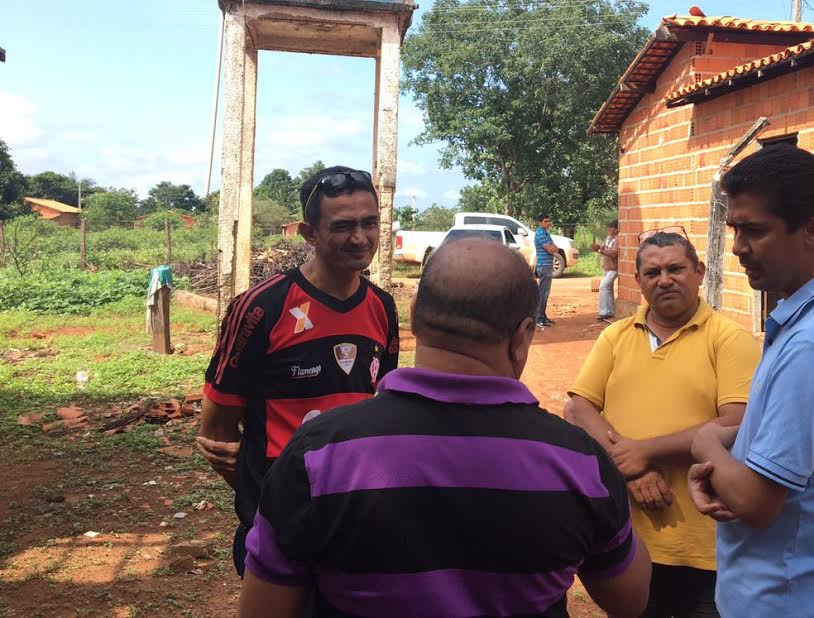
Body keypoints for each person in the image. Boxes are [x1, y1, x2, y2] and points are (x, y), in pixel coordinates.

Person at [237, 238, 652, 618]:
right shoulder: (577, 462)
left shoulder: (317, 455)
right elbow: (630, 600)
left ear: (414, 316)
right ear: (523, 336)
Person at [688, 145, 814, 617]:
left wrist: (707, 446)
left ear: (813, 230)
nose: (738, 246)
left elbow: (757, 502)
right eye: (735, 229)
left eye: (755, 230)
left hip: (788, 596)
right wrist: (734, 451)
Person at [196, 166, 399, 578]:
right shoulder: (260, 308)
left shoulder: (382, 307)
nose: (360, 238)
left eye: (369, 223)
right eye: (343, 226)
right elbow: (215, 431)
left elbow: (382, 408)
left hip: (355, 520)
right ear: (310, 234)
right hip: (281, 530)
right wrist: (272, 495)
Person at [565, 231, 760, 618]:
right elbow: (578, 408)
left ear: (699, 272)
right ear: (638, 281)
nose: (664, 279)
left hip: (706, 549)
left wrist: (645, 451)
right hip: (629, 543)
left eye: (676, 269)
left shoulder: (729, 339)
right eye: (652, 272)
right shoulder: (615, 336)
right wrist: (630, 466)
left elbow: (736, 422)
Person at [534, 212, 560, 329]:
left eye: (549, 221)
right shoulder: (540, 234)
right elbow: (551, 249)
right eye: (545, 221)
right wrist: (552, 248)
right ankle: (539, 318)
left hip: (547, 265)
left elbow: (556, 248)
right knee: (543, 292)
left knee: (545, 292)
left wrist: (553, 248)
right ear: (540, 222)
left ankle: (543, 316)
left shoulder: (546, 233)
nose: (548, 223)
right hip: (543, 265)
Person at [590, 219, 619, 322]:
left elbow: (614, 254)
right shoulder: (608, 238)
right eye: (609, 227)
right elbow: (602, 248)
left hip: (614, 268)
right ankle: (610, 312)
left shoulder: (618, 240)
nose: (609, 230)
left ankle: (603, 312)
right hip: (607, 267)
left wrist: (600, 250)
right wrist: (597, 247)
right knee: (608, 289)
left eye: (611, 228)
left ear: (616, 229)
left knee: (603, 287)